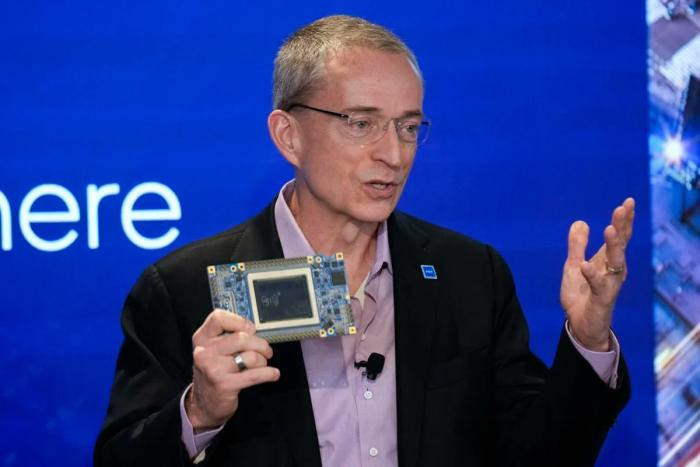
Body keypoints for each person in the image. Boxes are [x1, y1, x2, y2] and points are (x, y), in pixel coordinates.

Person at [94, 15, 635, 467]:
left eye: (408, 127)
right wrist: (199, 413)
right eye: (361, 123)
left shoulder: (470, 274)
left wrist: (588, 338)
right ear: (288, 135)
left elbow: (541, 453)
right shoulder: (184, 289)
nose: (393, 155)